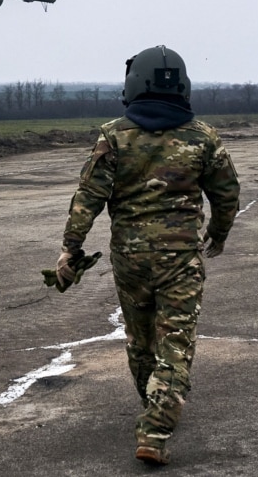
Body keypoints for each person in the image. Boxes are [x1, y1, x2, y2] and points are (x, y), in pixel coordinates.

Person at [52, 45, 240, 466]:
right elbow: (227, 194)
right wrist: (219, 234)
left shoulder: (113, 136)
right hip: (180, 262)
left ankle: (153, 403)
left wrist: (71, 249)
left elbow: (88, 197)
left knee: (140, 341)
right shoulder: (204, 138)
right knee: (175, 344)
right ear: (184, 85)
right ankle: (156, 429)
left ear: (133, 84)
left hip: (131, 261)